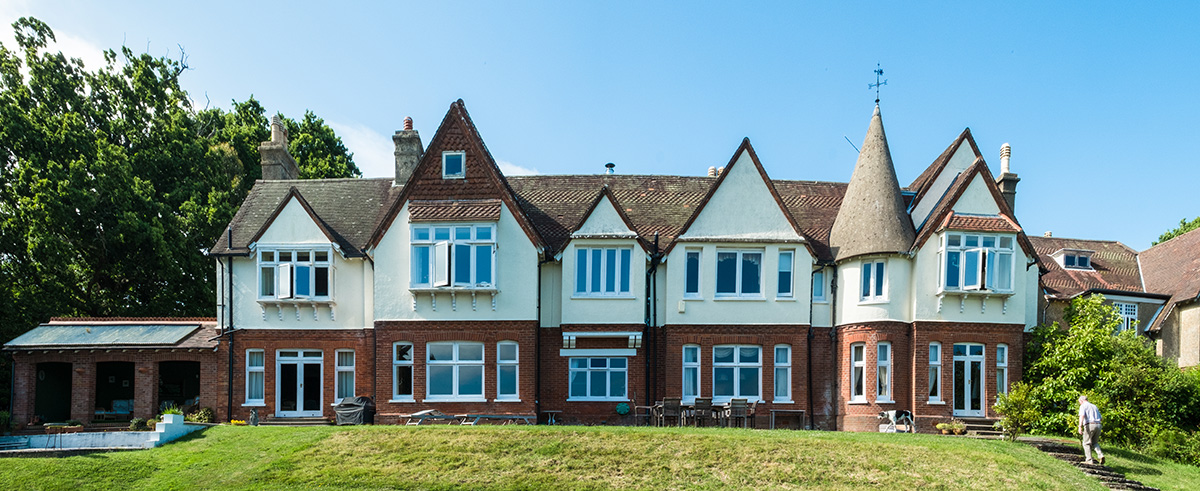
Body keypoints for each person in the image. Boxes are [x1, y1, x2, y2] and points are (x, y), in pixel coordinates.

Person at [1078, 395, 1104, 465]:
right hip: (1098, 425)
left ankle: (1089, 460)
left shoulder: (1083, 406)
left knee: (1086, 443)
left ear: (1081, 400)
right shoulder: (1094, 406)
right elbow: (1101, 418)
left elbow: (1082, 416)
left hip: (1090, 425)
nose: (1079, 403)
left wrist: (1080, 426)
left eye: (1079, 402)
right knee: (1095, 442)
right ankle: (1100, 455)